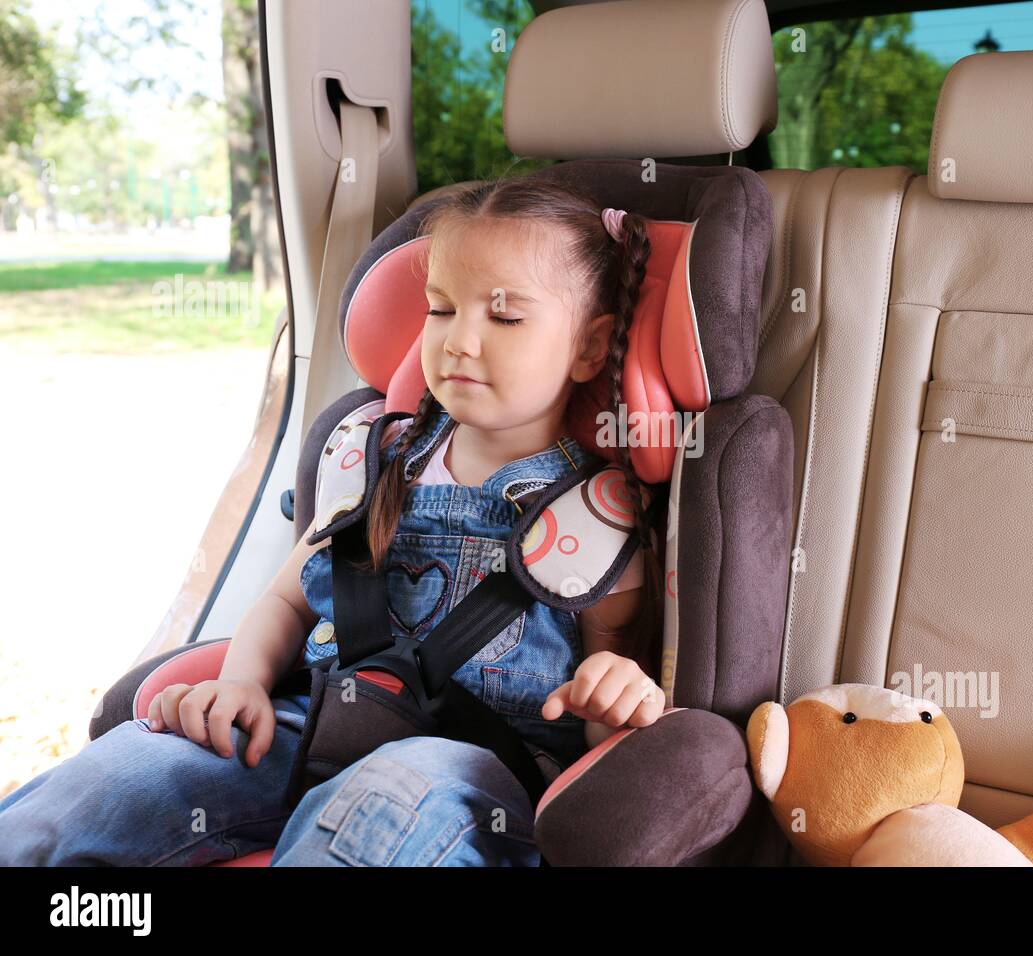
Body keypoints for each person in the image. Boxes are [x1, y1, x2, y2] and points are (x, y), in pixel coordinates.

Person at [0, 175, 668, 866]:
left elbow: (610, 699)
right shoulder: (371, 457)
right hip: (312, 723)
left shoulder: (595, 517)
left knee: (377, 805)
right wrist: (244, 682)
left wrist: (614, 694)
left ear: (590, 347)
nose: (460, 342)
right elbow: (289, 596)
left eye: (505, 318)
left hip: (466, 777)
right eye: (441, 310)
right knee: (117, 778)